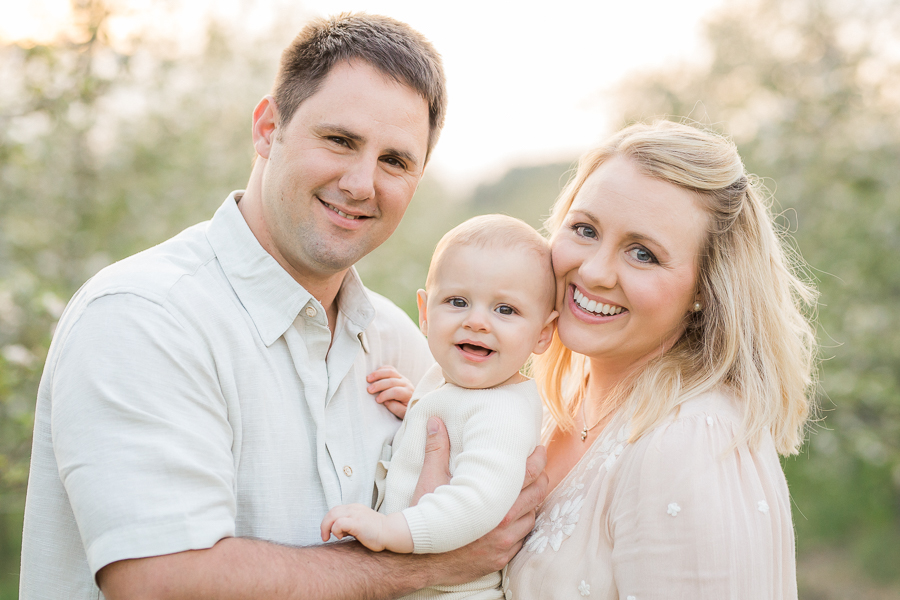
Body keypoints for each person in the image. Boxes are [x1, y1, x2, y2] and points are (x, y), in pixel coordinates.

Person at [19, 14, 547, 600]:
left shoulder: (402, 343)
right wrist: (428, 565)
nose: (361, 183)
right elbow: (160, 581)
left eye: (395, 161)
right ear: (269, 128)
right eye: (340, 140)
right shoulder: (145, 316)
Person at [502, 120, 817, 599]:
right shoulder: (552, 404)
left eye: (643, 254)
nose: (593, 270)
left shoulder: (688, 441)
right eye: (584, 229)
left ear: (704, 292)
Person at [321, 215, 558, 599]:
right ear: (426, 312)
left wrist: (389, 530)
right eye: (458, 301)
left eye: (506, 310)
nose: (477, 321)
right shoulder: (449, 385)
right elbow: (456, 423)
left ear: (543, 332)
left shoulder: (503, 412)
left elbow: (479, 500)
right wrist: (418, 407)